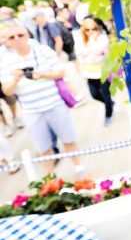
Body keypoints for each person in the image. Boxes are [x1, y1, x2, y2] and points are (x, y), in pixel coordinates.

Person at [0, 21, 86, 177]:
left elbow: (61, 72)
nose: (17, 39)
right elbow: (7, 90)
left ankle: (79, 169)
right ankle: (51, 179)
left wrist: (42, 74)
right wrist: (15, 79)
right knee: (43, 147)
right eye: (12, 37)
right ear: (6, 41)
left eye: (21, 35)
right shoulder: (4, 61)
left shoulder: (43, 50)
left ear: (27, 35)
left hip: (54, 103)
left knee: (69, 139)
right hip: (31, 110)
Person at [78, 18, 114, 126]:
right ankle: (110, 104)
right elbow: (80, 53)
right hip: (89, 72)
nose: (91, 32)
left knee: (105, 94)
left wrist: (92, 43)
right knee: (94, 95)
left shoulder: (102, 38)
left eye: (93, 29)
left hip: (102, 71)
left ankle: (108, 114)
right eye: (87, 30)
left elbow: (98, 51)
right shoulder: (82, 40)